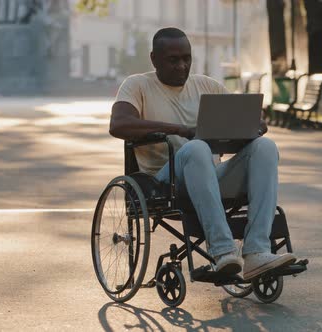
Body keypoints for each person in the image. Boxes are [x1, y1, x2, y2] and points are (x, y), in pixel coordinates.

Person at [109, 27, 296, 280]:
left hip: (211, 177)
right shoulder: (137, 85)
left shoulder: (207, 86)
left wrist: (253, 126)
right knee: (196, 147)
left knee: (265, 147)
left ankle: (256, 252)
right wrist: (181, 130)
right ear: (154, 59)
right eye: (173, 60)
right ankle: (222, 251)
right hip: (165, 181)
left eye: (187, 58)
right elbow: (119, 125)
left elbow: (250, 121)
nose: (182, 66)